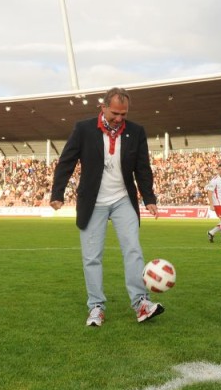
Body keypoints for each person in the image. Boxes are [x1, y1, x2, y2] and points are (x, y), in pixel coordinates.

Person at [50, 87, 164, 327]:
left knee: (133, 250)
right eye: (115, 113)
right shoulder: (83, 129)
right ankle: (96, 307)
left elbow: (142, 168)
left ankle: (141, 303)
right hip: (94, 203)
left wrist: (149, 198)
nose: (119, 118)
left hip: (124, 199)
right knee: (92, 257)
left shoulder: (136, 132)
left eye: (124, 114)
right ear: (102, 107)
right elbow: (66, 161)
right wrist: (57, 193)